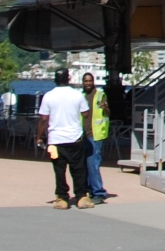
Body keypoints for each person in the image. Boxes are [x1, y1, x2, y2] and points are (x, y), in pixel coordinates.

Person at [36, 68, 91, 209]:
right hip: (75, 137)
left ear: (55, 79)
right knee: (78, 169)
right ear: (69, 78)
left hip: (55, 140)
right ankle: (81, 196)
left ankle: (62, 197)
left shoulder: (48, 96)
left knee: (59, 170)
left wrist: (39, 137)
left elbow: (43, 119)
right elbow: (85, 114)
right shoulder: (77, 95)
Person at [81, 71, 110, 202]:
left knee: (93, 164)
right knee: (84, 164)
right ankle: (88, 190)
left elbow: (107, 113)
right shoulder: (80, 96)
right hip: (82, 135)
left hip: (95, 135)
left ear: (93, 82)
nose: (88, 83)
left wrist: (105, 108)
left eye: (90, 81)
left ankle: (98, 192)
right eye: (85, 81)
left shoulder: (99, 95)